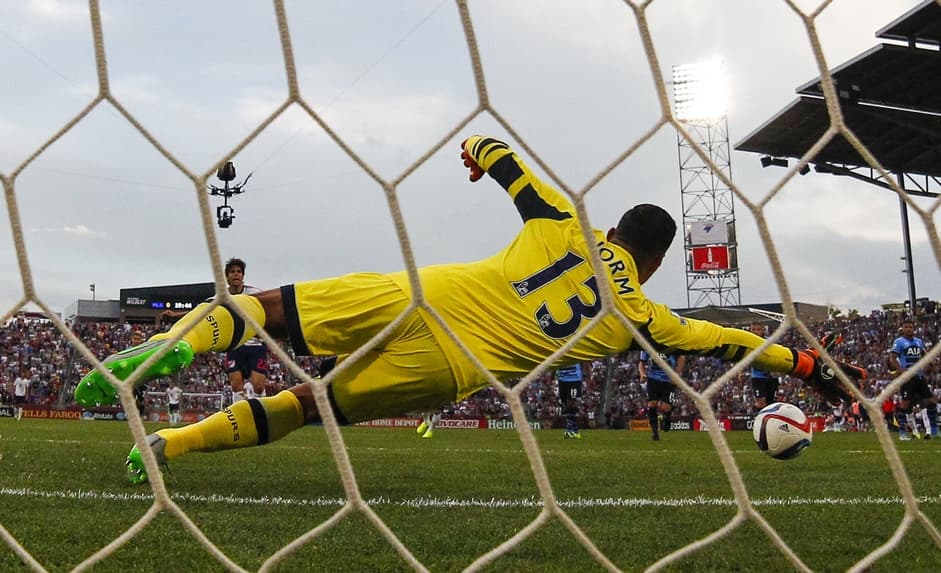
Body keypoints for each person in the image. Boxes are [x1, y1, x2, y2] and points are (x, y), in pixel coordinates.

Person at [72, 135, 868, 484]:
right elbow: (733, 339)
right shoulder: (643, 317)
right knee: (309, 404)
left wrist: (477, 158)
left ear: (616, 228)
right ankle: (171, 448)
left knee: (264, 305)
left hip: (425, 292)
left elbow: (500, 153)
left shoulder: (563, 220)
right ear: (655, 259)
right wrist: (811, 367)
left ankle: (168, 347)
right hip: (452, 364)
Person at [164, 258, 269, 403]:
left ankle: (261, 411)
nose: (236, 275)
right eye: (232, 272)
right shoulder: (221, 296)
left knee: (258, 385)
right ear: (227, 277)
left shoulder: (255, 293)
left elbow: (269, 307)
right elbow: (202, 310)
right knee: (235, 384)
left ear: (243, 275)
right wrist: (176, 315)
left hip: (256, 345)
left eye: (239, 272)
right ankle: (240, 415)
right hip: (235, 345)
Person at [888, 317, 938, 440]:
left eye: (910, 327)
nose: (909, 329)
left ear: (913, 328)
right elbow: (893, 358)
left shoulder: (918, 341)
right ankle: (903, 432)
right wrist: (900, 370)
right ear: (903, 329)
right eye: (906, 327)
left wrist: (930, 364)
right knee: (905, 405)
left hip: (919, 376)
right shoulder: (899, 342)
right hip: (907, 377)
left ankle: (933, 430)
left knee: (931, 401)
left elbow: (923, 354)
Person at [638, 351, 685, 441]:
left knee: (665, 408)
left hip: (669, 381)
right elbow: (641, 362)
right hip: (653, 379)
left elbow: (682, 357)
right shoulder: (648, 345)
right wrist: (642, 374)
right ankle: (655, 433)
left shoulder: (671, 344)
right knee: (652, 404)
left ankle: (667, 418)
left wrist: (678, 373)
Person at [555, 363, 585, 439]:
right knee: (565, 404)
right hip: (562, 378)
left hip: (574, 378)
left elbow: (585, 361)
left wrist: (588, 375)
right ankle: (575, 430)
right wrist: (551, 376)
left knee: (571, 402)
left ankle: (569, 430)